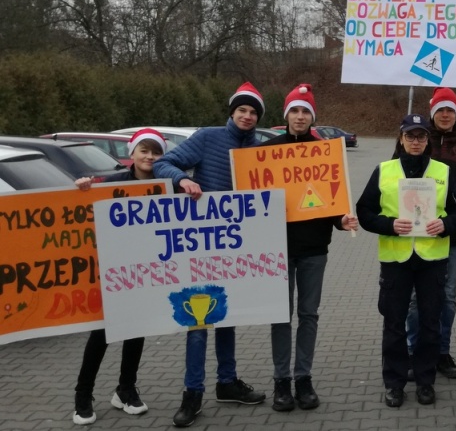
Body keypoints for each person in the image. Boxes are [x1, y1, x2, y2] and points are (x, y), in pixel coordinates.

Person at [152, 82, 268, 427]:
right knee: (200, 320)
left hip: (237, 244)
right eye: (242, 110)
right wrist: (180, 181)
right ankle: (192, 393)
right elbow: (165, 162)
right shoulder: (208, 137)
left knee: (228, 315)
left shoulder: (259, 148)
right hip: (203, 244)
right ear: (232, 112)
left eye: (253, 112)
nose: (247, 117)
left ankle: (227, 383)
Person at [258, 84, 359, 412]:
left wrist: (341, 221)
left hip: (315, 248)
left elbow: (332, 201)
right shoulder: (267, 152)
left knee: (309, 314)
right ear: (286, 114)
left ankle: (303, 378)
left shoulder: (325, 150)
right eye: (295, 111)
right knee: (280, 316)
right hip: (278, 249)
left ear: (311, 117)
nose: (300, 116)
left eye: (305, 112)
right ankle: (280, 382)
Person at [356, 113, 456, 407]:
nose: (415, 142)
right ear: (401, 139)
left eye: (420, 136)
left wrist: (446, 224)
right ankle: (394, 383)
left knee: (431, 323)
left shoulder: (443, 171)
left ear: (427, 140)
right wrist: (389, 224)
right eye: (410, 136)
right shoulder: (384, 170)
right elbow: (364, 212)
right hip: (396, 258)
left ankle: (426, 381)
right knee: (394, 324)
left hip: (432, 258)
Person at [71, 129, 166, 425]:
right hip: (112, 272)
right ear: (132, 154)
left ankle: (125, 389)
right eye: (144, 151)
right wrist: (82, 187)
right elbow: (82, 208)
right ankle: (82, 396)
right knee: (101, 335)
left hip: (145, 271)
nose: (149, 157)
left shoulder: (165, 185)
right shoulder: (111, 184)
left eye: (155, 152)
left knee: (136, 331)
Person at [406, 87, 456, 379]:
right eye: (440, 110)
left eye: (450, 110)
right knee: (414, 299)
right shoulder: (416, 141)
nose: (445, 115)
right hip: (414, 234)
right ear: (433, 113)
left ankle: (441, 352)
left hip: (449, 235)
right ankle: (414, 353)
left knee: (447, 296)